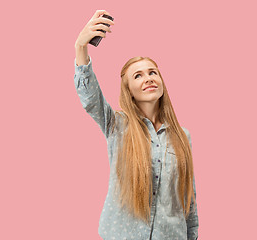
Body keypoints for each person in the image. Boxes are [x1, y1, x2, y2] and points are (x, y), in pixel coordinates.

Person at [74, 9, 199, 240]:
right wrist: (81, 47)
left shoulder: (183, 136)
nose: (148, 77)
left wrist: (192, 235)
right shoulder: (116, 125)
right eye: (138, 75)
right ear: (129, 91)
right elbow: (90, 98)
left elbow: (188, 196)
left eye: (153, 72)